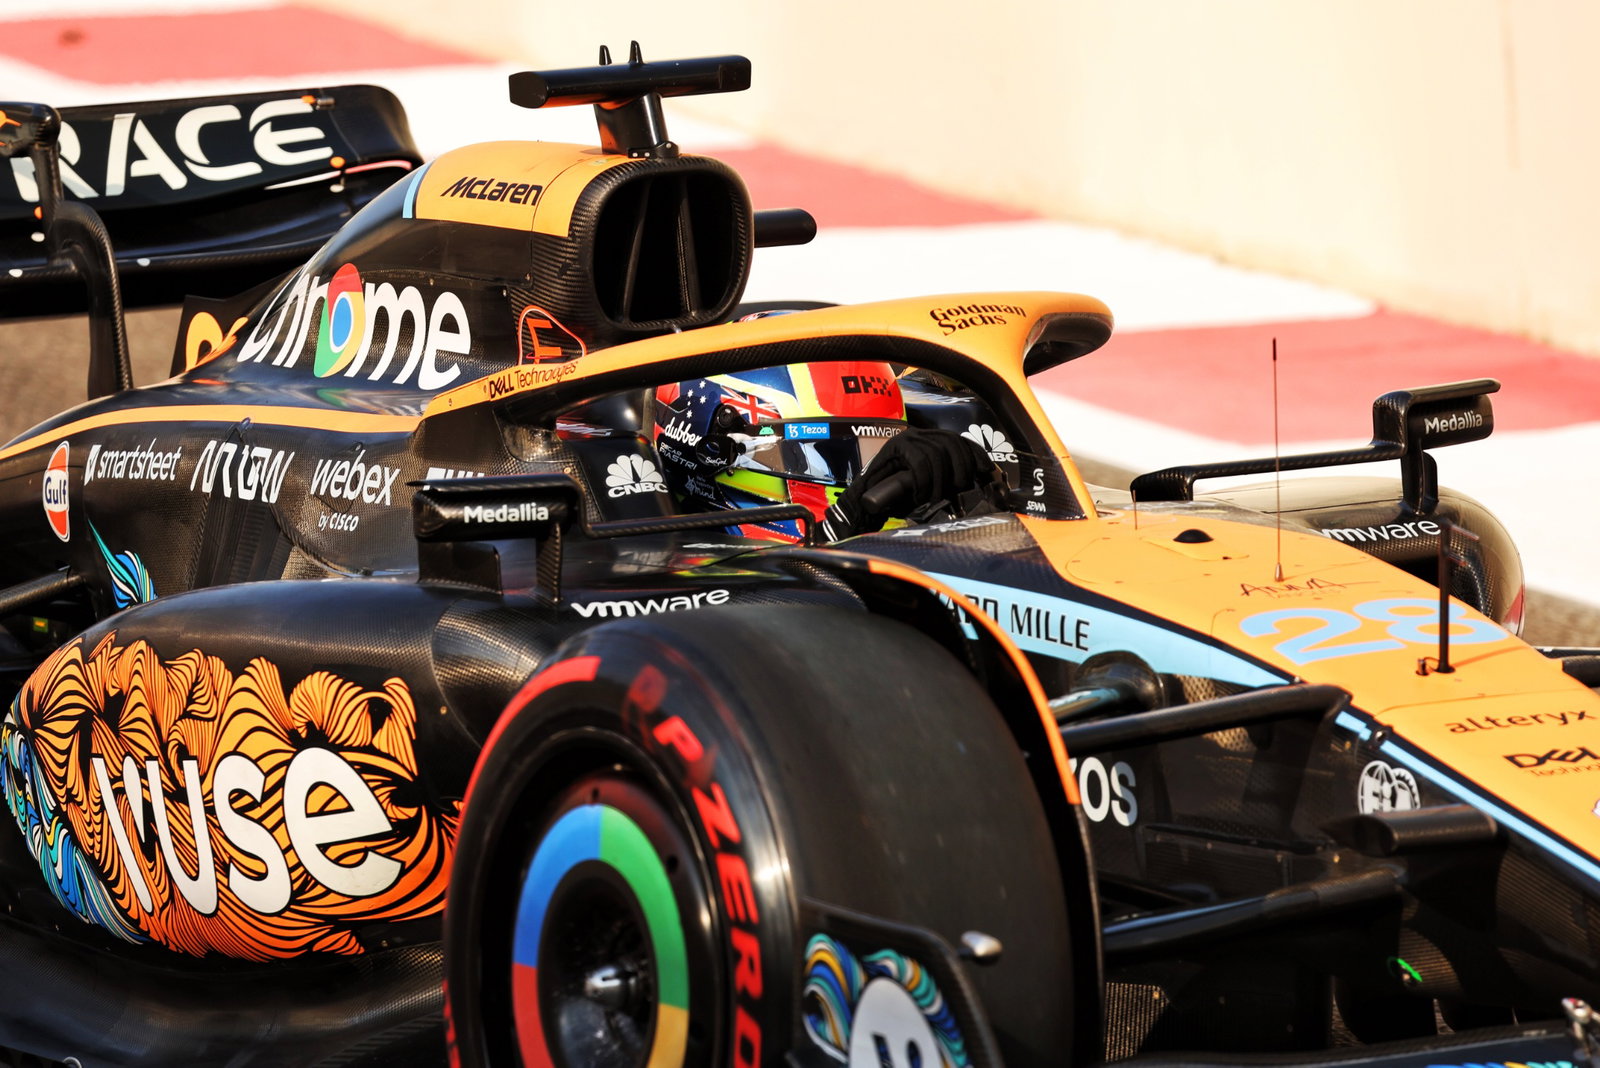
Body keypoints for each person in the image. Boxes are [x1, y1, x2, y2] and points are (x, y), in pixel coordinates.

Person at [651, 359, 1004, 542]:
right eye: (822, 457)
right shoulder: (662, 557)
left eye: (874, 454)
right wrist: (838, 530)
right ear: (714, 450)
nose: (861, 478)